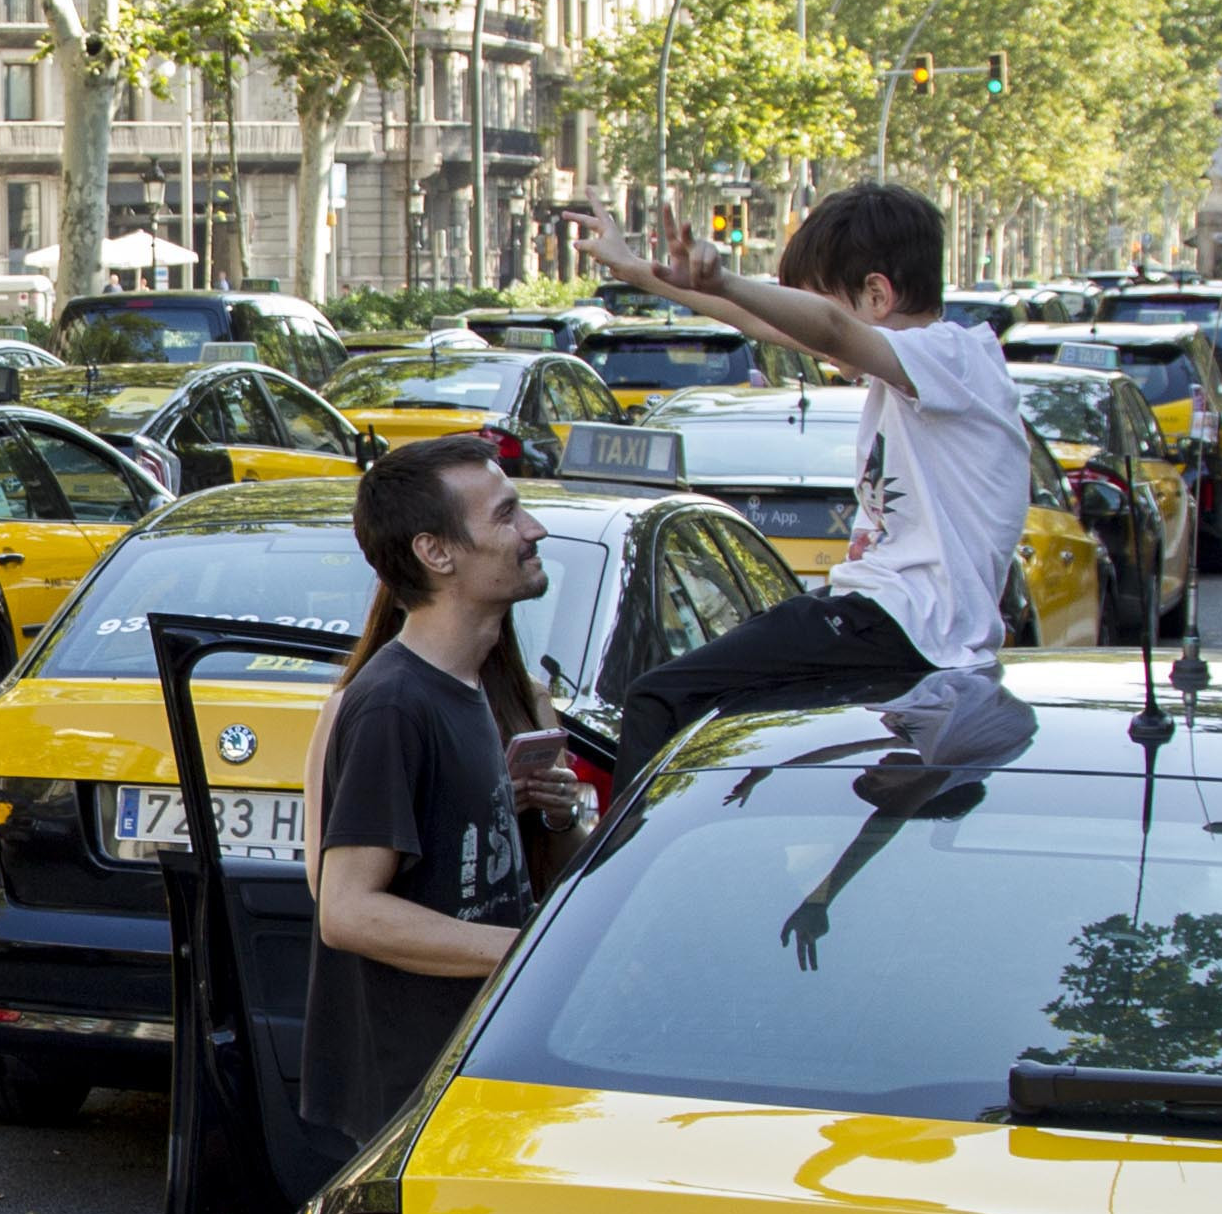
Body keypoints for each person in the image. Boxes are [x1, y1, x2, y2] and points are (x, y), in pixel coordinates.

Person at [575, 181, 1029, 780]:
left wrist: (727, 277)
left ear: (876, 294)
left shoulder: (951, 355)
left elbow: (832, 331)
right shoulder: (925, 371)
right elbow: (767, 324)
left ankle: (624, 871)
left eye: (817, 306)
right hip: (901, 628)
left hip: (900, 622)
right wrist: (641, 271)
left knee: (661, 699)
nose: (811, 339)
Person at [299, 433, 584, 1147]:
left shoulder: (497, 691)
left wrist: (557, 815)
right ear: (437, 552)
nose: (533, 530)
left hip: (487, 1064)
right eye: (506, 515)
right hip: (419, 1094)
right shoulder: (393, 704)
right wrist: (532, 951)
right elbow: (346, 911)